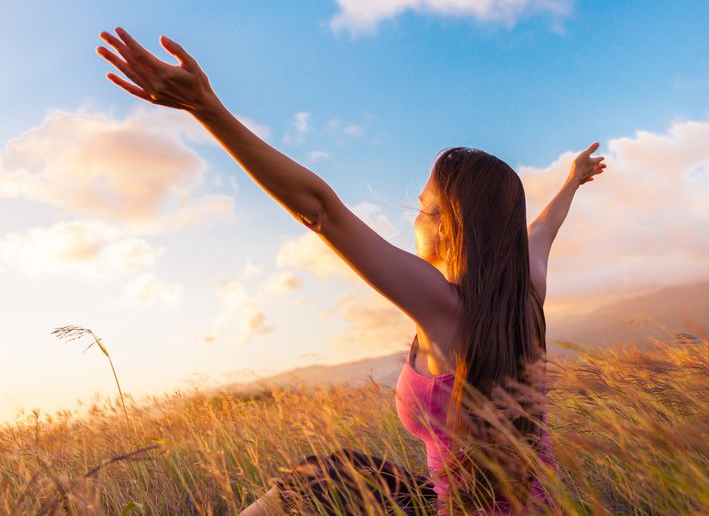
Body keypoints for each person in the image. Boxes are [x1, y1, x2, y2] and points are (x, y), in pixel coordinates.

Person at [96, 27, 607, 515]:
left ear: (450, 227)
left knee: (316, 482)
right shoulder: (527, 287)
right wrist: (572, 181)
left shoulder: (442, 307)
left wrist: (205, 109)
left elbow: (321, 209)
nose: (414, 219)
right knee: (329, 473)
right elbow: (543, 228)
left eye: (423, 207)